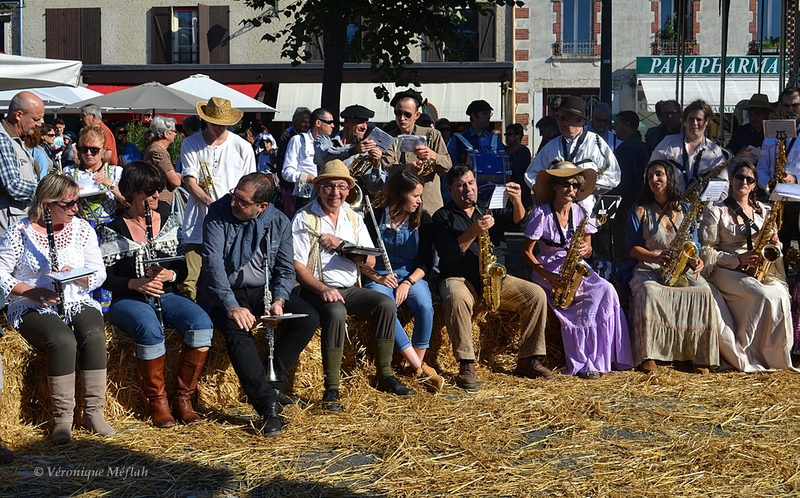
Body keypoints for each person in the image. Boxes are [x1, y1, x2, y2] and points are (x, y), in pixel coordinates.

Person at [200, 173, 319, 435]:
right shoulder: (218, 213)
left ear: (261, 206)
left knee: (308, 317)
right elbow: (213, 265)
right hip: (225, 290)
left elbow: (286, 269)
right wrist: (231, 306)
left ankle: (270, 378)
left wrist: (279, 300)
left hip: (261, 289)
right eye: (234, 195)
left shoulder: (278, 221)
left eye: (241, 201)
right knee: (237, 331)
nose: (233, 203)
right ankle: (267, 405)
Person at [292, 160, 413, 412]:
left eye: (341, 186)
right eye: (329, 186)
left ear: (349, 189)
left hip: (348, 287)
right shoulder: (304, 218)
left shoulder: (354, 218)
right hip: (315, 287)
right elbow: (298, 266)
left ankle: (385, 374)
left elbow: (370, 259)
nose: (335, 193)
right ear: (318, 188)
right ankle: (332, 388)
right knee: (335, 310)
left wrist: (342, 246)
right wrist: (323, 289)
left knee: (385, 303)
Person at [0, 174, 114, 444]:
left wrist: (75, 275)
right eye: (70, 203)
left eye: (77, 202)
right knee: (62, 341)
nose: (76, 209)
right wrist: (31, 291)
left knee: (94, 335)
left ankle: (93, 412)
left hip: (76, 297)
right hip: (30, 304)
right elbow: (0, 272)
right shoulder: (20, 231)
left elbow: (99, 272)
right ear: (47, 204)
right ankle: (63, 419)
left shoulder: (82, 228)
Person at [100, 161, 213, 427]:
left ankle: (183, 398)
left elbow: (183, 268)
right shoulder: (113, 228)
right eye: (148, 192)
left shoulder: (169, 220)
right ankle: (158, 402)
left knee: (201, 324)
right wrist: (134, 284)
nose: (154, 197)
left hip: (166, 294)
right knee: (150, 329)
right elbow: (105, 278)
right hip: (128, 299)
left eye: (157, 191)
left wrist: (169, 275)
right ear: (131, 192)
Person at [432, 164, 552, 389]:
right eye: (461, 186)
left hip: (495, 277)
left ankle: (529, 359)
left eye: (471, 183)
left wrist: (517, 200)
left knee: (535, 295)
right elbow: (448, 254)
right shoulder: (442, 216)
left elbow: (520, 223)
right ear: (450, 189)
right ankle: (466, 363)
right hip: (460, 277)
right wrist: (474, 231)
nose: (468, 189)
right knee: (456, 298)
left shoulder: (488, 208)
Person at [523, 163, 633, 378]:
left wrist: (586, 248)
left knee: (607, 290)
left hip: (576, 266)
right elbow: (526, 253)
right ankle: (581, 361)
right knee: (572, 305)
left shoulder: (581, 212)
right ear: (554, 186)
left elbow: (589, 247)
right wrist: (549, 276)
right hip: (548, 267)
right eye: (565, 184)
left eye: (575, 185)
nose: (571, 190)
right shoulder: (541, 214)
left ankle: (602, 358)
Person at [626, 160, 720, 374]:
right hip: (648, 265)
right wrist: (655, 257)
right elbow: (631, 248)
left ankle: (698, 355)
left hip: (680, 266)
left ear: (669, 177)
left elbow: (693, 245)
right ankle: (649, 354)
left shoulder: (685, 209)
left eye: (658, 174)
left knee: (704, 291)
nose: (654, 180)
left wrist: (695, 259)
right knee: (650, 292)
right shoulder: (639, 209)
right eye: (650, 176)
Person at [699, 161, 794, 371]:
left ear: (754, 185)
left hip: (758, 268)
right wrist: (737, 260)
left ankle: (776, 357)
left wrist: (774, 242)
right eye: (739, 177)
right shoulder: (716, 211)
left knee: (779, 293)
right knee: (762, 294)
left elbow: (776, 249)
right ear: (731, 180)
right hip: (726, 269)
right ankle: (750, 353)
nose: (743, 181)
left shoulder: (763, 210)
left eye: (749, 179)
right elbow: (706, 252)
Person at [361, 170, 443, 392]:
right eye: (415, 196)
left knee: (425, 305)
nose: (419, 201)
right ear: (399, 194)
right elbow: (361, 261)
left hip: (411, 273)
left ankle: (415, 362)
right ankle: (419, 367)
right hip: (379, 274)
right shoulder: (373, 218)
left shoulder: (423, 219)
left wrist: (407, 283)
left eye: (420, 196)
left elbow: (426, 263)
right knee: (386, 308)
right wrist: (379, 277)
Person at [180, 96, 255, 301]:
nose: (219, 128)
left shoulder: (243, 147)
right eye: (214, 123)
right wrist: (214, 205)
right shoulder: (191, 143)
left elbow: (250, 186)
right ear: (205, 120)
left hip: (232, 222)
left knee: (225, 276)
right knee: (191, 280)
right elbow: (190, 181)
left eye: (223, 124)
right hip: (198, 222)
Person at [525, 96, 621, 205]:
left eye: (564, 118)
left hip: (586, 209)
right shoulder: (550, 146)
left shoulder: (596, 143)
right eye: (558, 117)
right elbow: (531, 173)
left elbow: (614, 176)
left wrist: (585, 186)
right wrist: (541, 190)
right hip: (556, 210)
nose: (559, 122)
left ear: (579, 120)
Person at [381, 90, 451, 214]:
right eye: (398, 113)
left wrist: (433, 155)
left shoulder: (432, 134)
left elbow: (447, 165)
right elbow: (388, 167)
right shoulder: (390, 138)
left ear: (417, 115)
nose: (401, 118)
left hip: (429, 204)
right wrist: (407, 167)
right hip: (401, 205)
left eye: (407, 114)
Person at [649, 100, 729, 196]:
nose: (694, 123)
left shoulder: (715, 152)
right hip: (667, 205)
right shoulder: (668, 143)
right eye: (691, 119)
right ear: (685, 120)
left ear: (707, 122)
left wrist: (705, 205)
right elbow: (649, 173)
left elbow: (723, 187)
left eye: (699, 120)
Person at [757, 87, 800, 250]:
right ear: (780, 107)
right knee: (777, 247)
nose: (790, 110)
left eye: (795, 105)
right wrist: (769, 183)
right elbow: (761, 168)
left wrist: (796, 179)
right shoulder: (771, 133)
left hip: (798, 199)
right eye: (786, 106)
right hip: (775, 200)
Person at [605, 111, 649, 265]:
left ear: (627, 125)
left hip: (625, 207)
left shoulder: (629, 149)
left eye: (617, 124)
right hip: (634, 205)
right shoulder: (638, 145)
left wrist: (614, 208)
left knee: (624, 250)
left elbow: (623, 182)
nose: (615, 128)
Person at [63, 125, 126, 226]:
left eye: (94, 150)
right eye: (84, 149)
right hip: (77, 226)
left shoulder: (115, 172)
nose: (88, 153)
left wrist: (108, 183)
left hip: (107, 226)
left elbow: (128, 201)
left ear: (104, 150)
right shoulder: (69, 171)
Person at [0, 91, 44, 233]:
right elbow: (12, 185)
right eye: (36, 119)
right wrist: (49, 190)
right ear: (18, 115)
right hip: (9, 229)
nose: (40, 124)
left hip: (19, 223)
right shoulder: (3, 140)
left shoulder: (17, 140)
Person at [282, 108, 335, 219]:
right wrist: (309, 178)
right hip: (306, 197)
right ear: (318, 123)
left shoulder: (332, 144)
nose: (333, 125)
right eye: (329, 122)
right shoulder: (298, 140)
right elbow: (286, 172)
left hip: (328, 196)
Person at [143, 116, 182, 205]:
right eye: (174, 131)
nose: (176, 134)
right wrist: (183, 175)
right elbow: (175, 182)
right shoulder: (158, 152)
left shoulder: (154, 149)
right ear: (166, 134)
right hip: (161, 200)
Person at [504, 123, 532, 207]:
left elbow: (515, 169)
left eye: (510, 134)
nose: (507, 137)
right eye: (506, 134)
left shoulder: (523, 151)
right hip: (506, 190)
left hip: (520, 190)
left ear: (518, 136)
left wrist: (507, 165)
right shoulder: (504, 150)